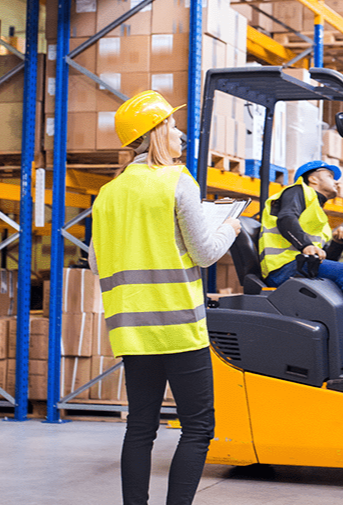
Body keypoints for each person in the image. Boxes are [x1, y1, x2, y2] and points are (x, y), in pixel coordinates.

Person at [89, 90, 241, 505]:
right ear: (155, 132)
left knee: (139, 427)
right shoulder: (178, 182)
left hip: (133, 332)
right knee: (197, 428)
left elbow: (94, 261)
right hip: (178, 329)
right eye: (172, 126)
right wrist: (230, 228)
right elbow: (206, 252)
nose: (179, 134)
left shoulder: (107, 195)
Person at [259, 160, 343, 371]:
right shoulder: (296, 192)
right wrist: (305, 246)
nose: (337, 182)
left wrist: (338, 244)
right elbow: (286, 219)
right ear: (313, 178)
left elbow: (325, 259)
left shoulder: (318, 212)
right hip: (283, 267)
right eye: (331, 176)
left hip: (303, 265)